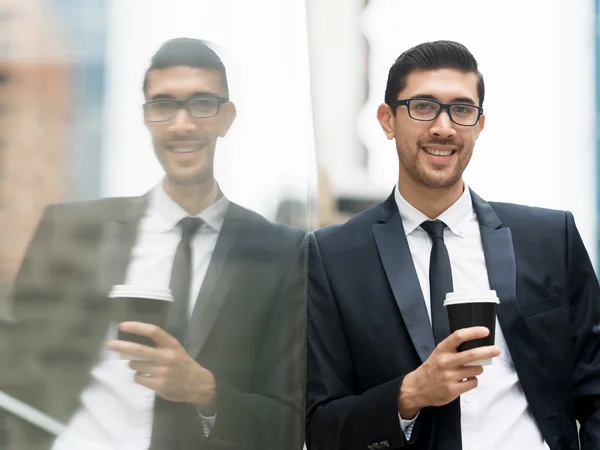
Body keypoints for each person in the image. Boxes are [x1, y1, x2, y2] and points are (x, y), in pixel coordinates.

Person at [2, 37, 306, 450]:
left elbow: (293, 421)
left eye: (202, 104)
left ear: (226, 118)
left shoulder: (283, 253)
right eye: (164, 105)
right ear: (147, 117)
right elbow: (14, 369)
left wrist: (205, 390)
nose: (183, 124)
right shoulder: (69, 228)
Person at [305, 40, 600, 450]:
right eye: (423, 106)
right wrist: (409, 394)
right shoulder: (332, 257)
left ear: (478, 126)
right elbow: (319, 425)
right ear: (387, 120)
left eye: (461, 110)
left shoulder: (551, 237)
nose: (444, 126)